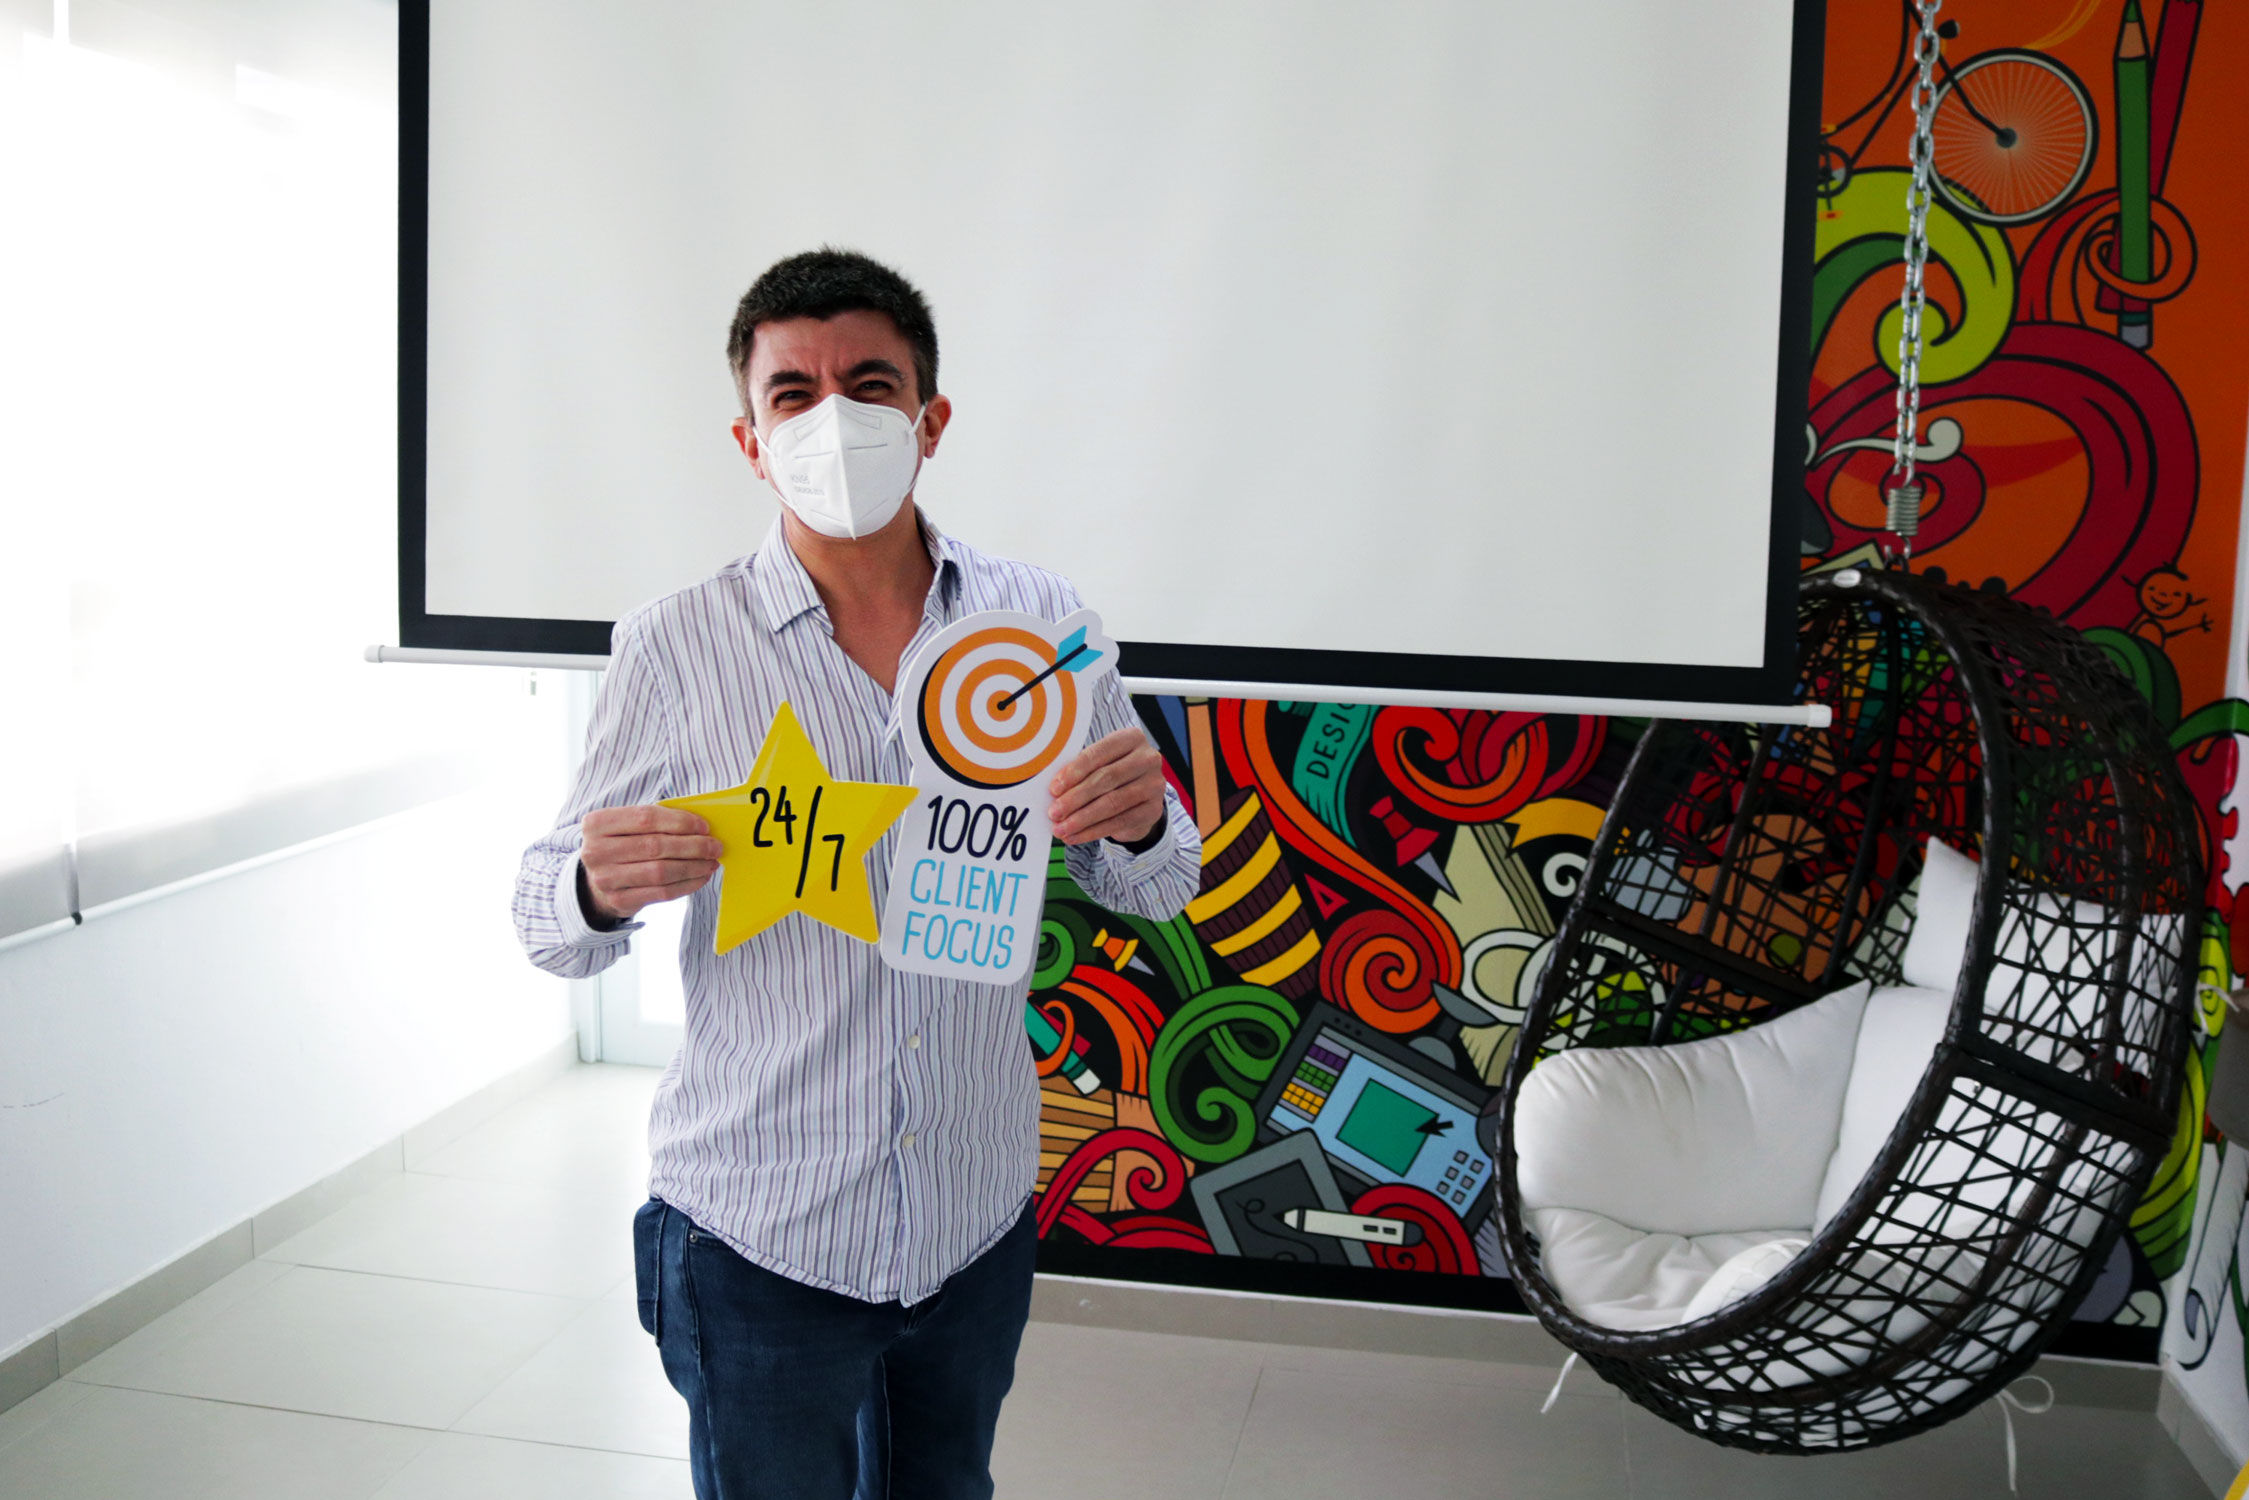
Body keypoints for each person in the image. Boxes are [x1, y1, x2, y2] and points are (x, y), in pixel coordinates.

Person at [511, 247, 1200, 1500]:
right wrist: (596, 887)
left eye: (870, 386)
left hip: (970, 1215)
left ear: (929, 421)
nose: (832, 419)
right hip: (759, 1226)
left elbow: (1152, 885)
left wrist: (1145, 824)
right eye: (793, 394)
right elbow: (548, 924)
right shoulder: (676, 644)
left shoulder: (1038, 627)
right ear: (750, 440)